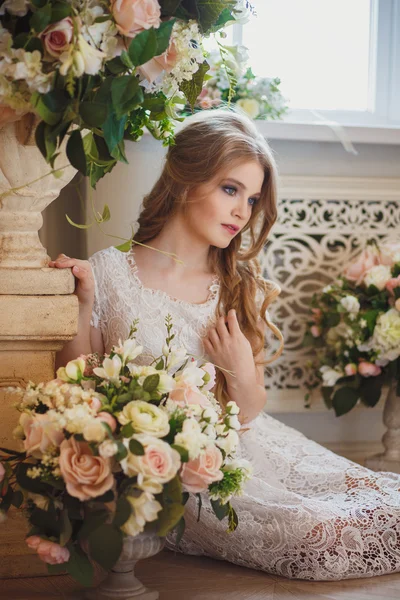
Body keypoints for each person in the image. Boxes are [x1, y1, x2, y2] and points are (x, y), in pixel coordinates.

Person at [52, 109, 400, 581]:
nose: (243, 211)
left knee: (383, 501)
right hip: (189, 473)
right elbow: (80, 381)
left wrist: (237, 366)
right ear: (184, 180)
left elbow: (251, 409)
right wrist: (84, 300)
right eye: (230, 189)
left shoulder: (239, 284)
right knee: (319, 533)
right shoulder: (111, 272)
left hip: (253, 444)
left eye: (253, 198)